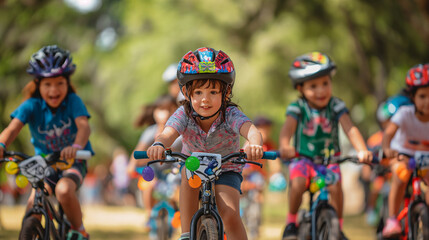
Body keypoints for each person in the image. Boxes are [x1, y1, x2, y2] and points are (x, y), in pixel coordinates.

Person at [146, 47, 264, 240]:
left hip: (226, 168)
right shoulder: (184, 114)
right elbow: (167, 134)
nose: (205, 99)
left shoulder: (231, 114)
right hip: (193, 166)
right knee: (187, 172)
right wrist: (159, 145)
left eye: (213, 92)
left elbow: (251, 131)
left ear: (226, 93)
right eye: (198, 92)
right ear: (186, 92)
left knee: (230, 214)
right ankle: (186, 234)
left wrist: (254, 144)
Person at [0, 45, 93, 240]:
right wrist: (1, 145)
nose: (54, 90)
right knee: (34, 203)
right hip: (44, 163)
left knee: (64, 190)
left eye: (60, 83)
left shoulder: (73, 101)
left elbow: (84, 126)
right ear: (37, 84)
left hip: (73, 161)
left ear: (67, 83)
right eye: (47, 84)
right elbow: (12, 129)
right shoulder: (31, 106)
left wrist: (75, 147)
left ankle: (80, 230)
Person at [278, 52, 372, 240]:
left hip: (330, 159)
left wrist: (362, 150)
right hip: (303, 158)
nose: (321, 90)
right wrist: (284, 145)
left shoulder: (336, 105)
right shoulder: (297, 107)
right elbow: (287, 130)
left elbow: (350, 128)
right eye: (313, 86)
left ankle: (338, 225)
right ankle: (291, 221)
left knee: (336, 185)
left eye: (325, 84)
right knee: (297, 183)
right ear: (300, 88)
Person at [381, 63, 429, 238]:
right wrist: (386, 149)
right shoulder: (404, 113)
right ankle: (392, 220)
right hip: (402, 154)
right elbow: (388, 134)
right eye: (423, 96)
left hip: (426, 158)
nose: (427, 101)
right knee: (401, 175)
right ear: (412, 97)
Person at [127, 94, 180, 229]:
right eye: (161, 109)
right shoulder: (150, 132)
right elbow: (136, 154)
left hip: (174, 170)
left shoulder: (179, 132)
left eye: (170, 109)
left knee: (179, 188)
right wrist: (132, 165)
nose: (166, 113)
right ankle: (150, 215)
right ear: (155, 112)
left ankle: (179, 213)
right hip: (154, 171)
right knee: (149, 185)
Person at [361, 92, 412, 226]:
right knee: (376, 186)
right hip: (384, 174)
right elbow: (369, 157)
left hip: (405, 171)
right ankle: (371, 209)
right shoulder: (376, 138)